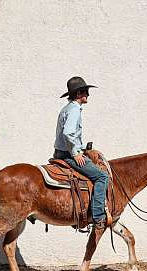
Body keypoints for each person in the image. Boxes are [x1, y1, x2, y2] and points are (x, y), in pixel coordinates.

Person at [54, 76, 110, 230]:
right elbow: (67, 133)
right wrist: (75, 153)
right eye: (85, 91)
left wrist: (84, 146)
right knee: (102, 176)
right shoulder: (74, 110)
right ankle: (98, 216)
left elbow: (68, 135)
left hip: (60, 152)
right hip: (68, 155)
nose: (88, 95)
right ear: (78, 93)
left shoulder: (66, 108)